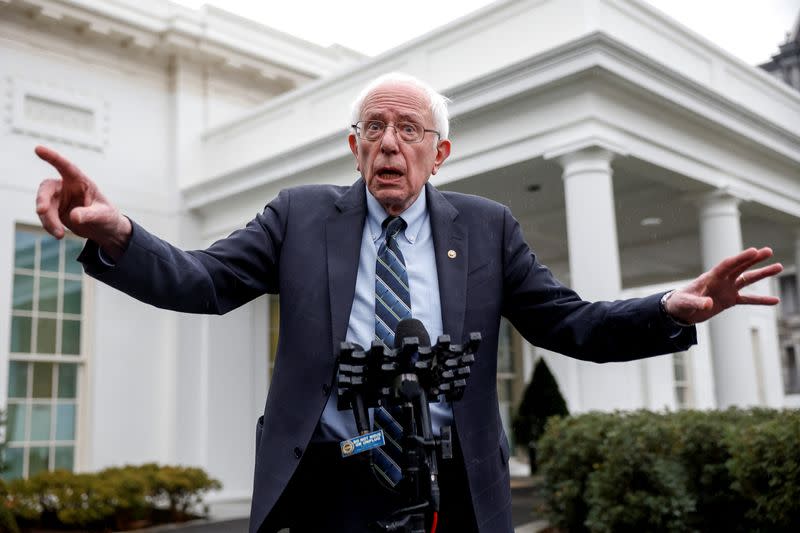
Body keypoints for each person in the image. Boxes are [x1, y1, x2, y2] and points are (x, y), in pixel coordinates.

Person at [34, 73, 782, 533]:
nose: (390, 142)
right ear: (354, 146)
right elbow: (203, 280)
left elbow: (569, 321)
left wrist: (668, 309)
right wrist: (121, 231)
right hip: (330, 480)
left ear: (439, 151)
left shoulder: (488, 229)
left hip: (451, 482)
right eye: (374, 128)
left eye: (409, 129)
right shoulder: (298, 216)